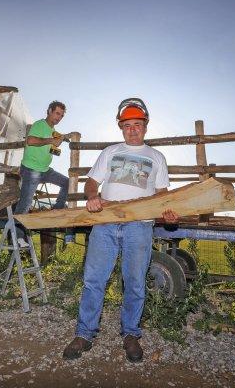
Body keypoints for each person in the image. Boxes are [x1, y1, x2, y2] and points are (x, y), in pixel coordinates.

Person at [62, 98, 178, 363]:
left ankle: (131, 335)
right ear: (121, 127)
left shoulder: (156, 157)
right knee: (94, 280)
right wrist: (92, 196)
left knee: (135, 282)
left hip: (140, 226)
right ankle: (84, 333)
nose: (133, 129)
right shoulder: (110, 152)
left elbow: (162, 195)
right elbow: (91, 182)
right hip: (105, 223)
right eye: (127, 125)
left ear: (145, 127)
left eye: (137, 124)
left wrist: (168, 212)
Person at [14, 101, 74, 215]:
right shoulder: (40, 124)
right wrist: (52, 140)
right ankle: (15, 232)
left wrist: (56, 146)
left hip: (45, 170)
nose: (59, 117)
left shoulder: (53, 131)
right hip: (31, 169)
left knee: (68, 182)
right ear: (50, 111)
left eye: (61, 115)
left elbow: (48, 149)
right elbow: (30, 141)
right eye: (57, 113)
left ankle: (57, 209)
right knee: (25, 205)